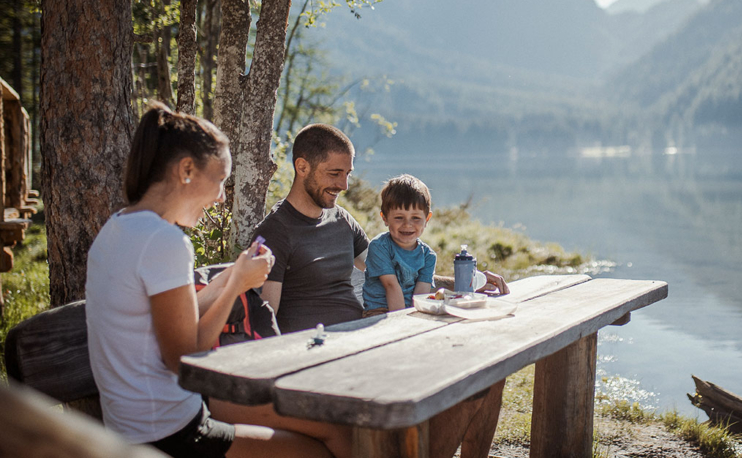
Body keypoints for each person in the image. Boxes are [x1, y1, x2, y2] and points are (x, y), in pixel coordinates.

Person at [86, 103, 350, 458]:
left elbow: (175, 316)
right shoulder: (164, 241)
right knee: (331, 442)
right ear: (186, 170)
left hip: (142, 419)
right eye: (221, 180)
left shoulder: (120, 226)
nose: (222, 196)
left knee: (327, 422)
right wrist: (238, 287)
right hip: (171, 430)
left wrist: (231, 276)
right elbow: (186, 360)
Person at [252, 123, 507, 458]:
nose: (343, 185)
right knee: (451, 389)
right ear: (302, 167)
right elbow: (266, 320)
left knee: (486, 374)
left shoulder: (340, 219)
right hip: (322, 358)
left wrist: (469, 282)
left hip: (366, 339)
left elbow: (391, 269)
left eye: (348, 174)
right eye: (334, 173)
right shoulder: (276, 231)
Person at [362, 174, 437, 315]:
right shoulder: (379, 247)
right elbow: (391, 285)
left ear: (427, 219)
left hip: (411, 312)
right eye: (398, 217)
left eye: (415, 218)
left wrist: (415, 319)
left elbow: (421, 295)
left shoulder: (428, 256)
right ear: (385, 218)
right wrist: (402, 324)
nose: (407, 224)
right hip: (379, 312)